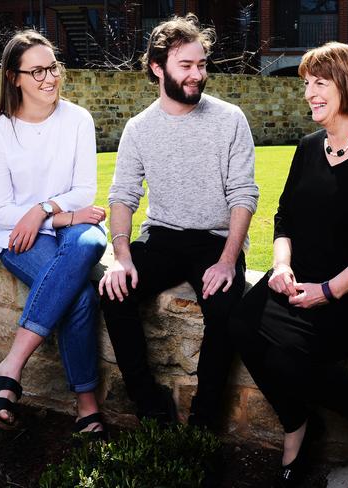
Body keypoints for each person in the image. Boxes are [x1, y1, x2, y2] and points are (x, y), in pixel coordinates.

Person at [230, 42, 348, 487]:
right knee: (239, 324)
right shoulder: (310, 145)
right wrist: (281, 264)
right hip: (303, 280)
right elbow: (285, 216)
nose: (310, 92)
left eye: (320, 83)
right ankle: (296, 422)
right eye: (307, 84)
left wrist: (328, 291)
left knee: (293, 357)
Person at [98, 14, 259, 432]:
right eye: (186, 66)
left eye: (201, 65)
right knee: (115, 294)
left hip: (215, 240)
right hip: (163, 237)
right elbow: (123, 196)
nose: (197, 75)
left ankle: (204, 420)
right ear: (157, 67)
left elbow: (244, 194)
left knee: (226, 307)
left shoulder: (230, 119)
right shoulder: (139, 129)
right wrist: (121, 256)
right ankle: (148, 404)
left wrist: (229, 260)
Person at [0, 30, 108, 439]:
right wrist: (53, 219)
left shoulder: (77, 119)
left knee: (91, 241)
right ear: (13, 78)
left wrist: (43, 211)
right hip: (19, 240)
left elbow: (83, 190)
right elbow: (1, 212)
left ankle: (10, 367)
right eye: (36, 71)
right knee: (82, 296)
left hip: (70, 224)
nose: (49, 78)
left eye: (52, 67)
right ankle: (87, 406)